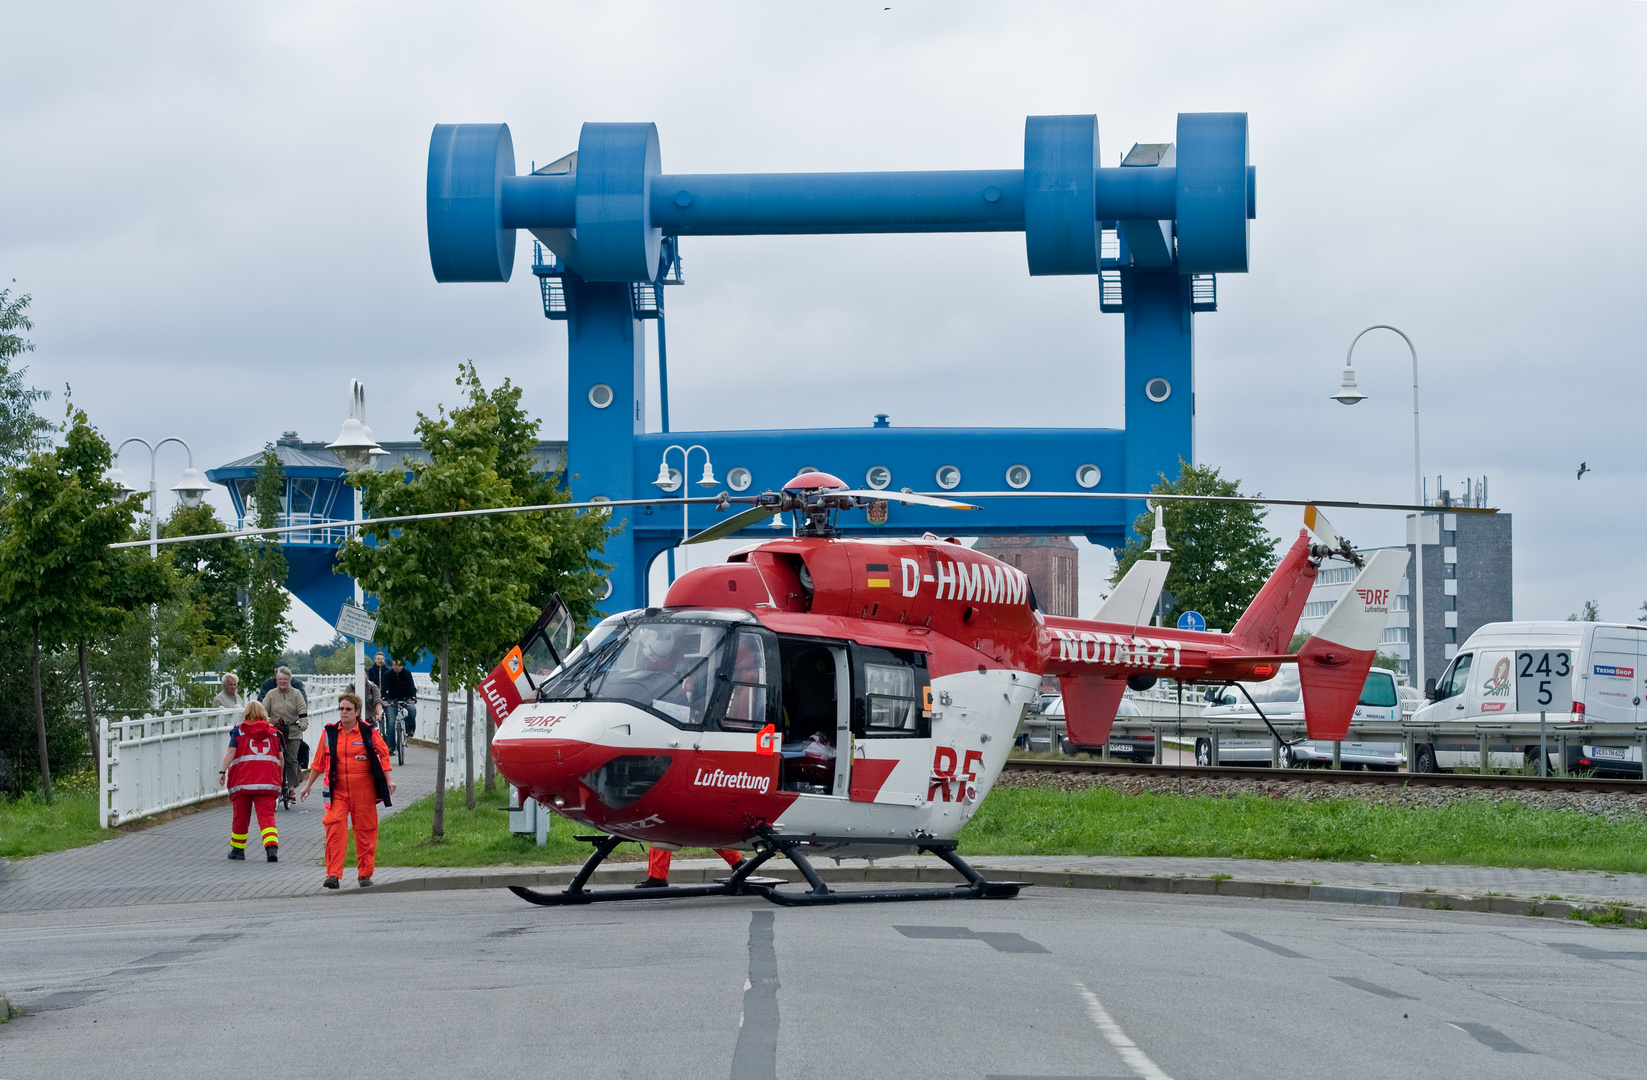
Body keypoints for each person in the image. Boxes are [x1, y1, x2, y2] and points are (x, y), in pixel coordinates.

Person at [300, 692, 395, 889]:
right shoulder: (330, 733)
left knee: (366, 832)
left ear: (357, 712)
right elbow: (318, 763)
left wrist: (389, 780)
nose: (343, 712)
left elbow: (383, 754)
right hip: (338, 792)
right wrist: (307, 786)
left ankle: (365, 875)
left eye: (348, 709)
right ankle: (333, 874)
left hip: (364, 792)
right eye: (341, 709)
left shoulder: (368, 732)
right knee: (334, 831)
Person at [218, 701, 283, 862]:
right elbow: (280, 758)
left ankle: (238, 850)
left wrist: (222, 771)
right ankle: (271, 848)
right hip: (267, 781)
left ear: (246, 713)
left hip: (243, 781)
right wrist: (279, 777)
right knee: (267, 816)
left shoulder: (239, 731)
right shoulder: (275, 733)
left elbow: (231, 752)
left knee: (241, 816)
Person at [261, 666, 309, 800]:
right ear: (276, 680)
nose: (282, 682)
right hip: (276, 731)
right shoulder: (271, 694)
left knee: (291, 759)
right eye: (279, 679)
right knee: (274, 759)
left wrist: (303, 723)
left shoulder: (296, 694)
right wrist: (268, 721)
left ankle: (292, 788)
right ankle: (274, 784)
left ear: (290, 680)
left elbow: (302, 710)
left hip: (293, 731)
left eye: (285, 679)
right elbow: (263, 710)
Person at [382, 657, 418, 739]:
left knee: (412, 710)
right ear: (392, 665)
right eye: (394, 665)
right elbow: (384, 689)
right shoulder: (387, 675)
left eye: (398, 665)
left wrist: (413, 698)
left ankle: (409, 728)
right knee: (391, 722)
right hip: (392, 699)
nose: (396, 667)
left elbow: (412, 687)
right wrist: (384, 699)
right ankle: (390, 746)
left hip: (406, 698)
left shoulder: (407, 673)